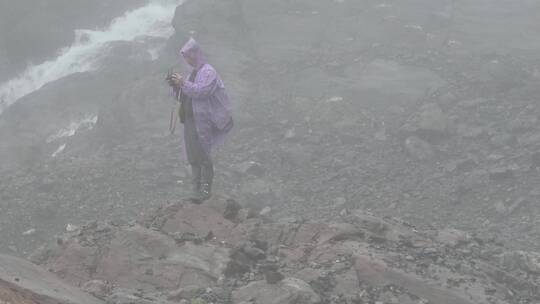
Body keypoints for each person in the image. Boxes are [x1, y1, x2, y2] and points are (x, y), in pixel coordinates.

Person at [168, 38, 233, 202]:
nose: (187, 59)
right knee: (192, 155)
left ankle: (205, 190)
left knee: (203, 153)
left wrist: (183, 83)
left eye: (189, 55)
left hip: (203, 120)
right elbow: (185, 95)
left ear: (196, 53)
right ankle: (195, 189)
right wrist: (176, 86)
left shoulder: (209, 71)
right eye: (185, 57)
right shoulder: (192, 73)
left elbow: (202, 92)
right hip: (190, 119)